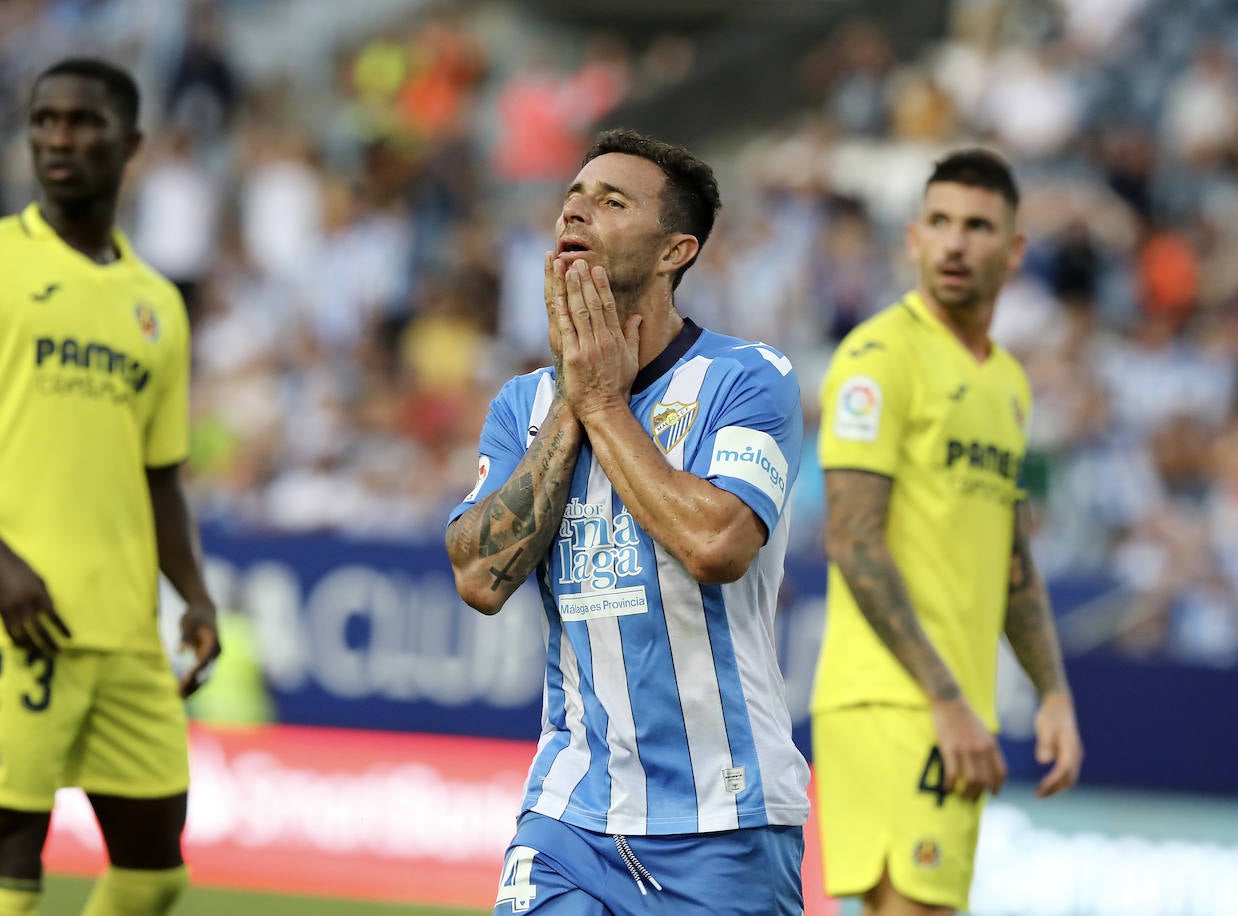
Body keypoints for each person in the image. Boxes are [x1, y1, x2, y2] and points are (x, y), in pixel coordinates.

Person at [0, 57, 219, 916]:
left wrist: (194, 596)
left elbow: (159, 477)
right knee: (10, 867)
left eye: (82, 122)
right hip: (9, 621)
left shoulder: (156, 304)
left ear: (132, 142)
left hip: (126, 632)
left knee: (155, 875)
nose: (58, 138)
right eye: (44, 121)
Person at [447, 128, 810, 915]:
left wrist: (606, 401)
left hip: (727, 819)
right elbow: (477, 574)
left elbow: (717, 543)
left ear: (676, 249)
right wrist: (578, 399)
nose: (577, 211)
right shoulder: (526, 405)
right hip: (569, 814)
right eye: (573, 196)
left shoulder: (748, 380)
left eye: (612, 202)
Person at [811, 148, 1085, 916]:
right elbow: (852, 541)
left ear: (1015, 248)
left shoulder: (1008, 383)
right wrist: (946, 699)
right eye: (939, 223)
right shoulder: (879, 357)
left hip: (949, 709)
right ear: (913, 239)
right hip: (895, 702)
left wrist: (1053, 693)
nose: (956, 242)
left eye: (976, 226)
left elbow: (1012, 553)